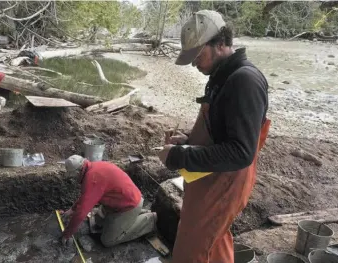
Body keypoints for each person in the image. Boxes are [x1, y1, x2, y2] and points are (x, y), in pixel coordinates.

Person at [158, 10, 270, 263]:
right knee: (214, 241)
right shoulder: (220, 76)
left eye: (198, 55)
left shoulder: (245, 81)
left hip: (227, 180)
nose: (195, 63)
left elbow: (241, 152)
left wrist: (179, 156)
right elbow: (221, 131)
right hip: (210, 174)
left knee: (194, 250)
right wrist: (188, 141)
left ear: (220, 43)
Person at [59, 155, 157, 247]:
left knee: (108, 240)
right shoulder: (93, 168)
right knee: (98, 222)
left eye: (73, 176)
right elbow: (86, 197)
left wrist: (68, 233)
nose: (74, 179)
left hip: (129, 205)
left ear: (78, 172)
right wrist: (72, 210)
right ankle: (135, 215)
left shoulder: (92, 178)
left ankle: (149, 220)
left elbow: (81, 212)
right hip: (120, 201)